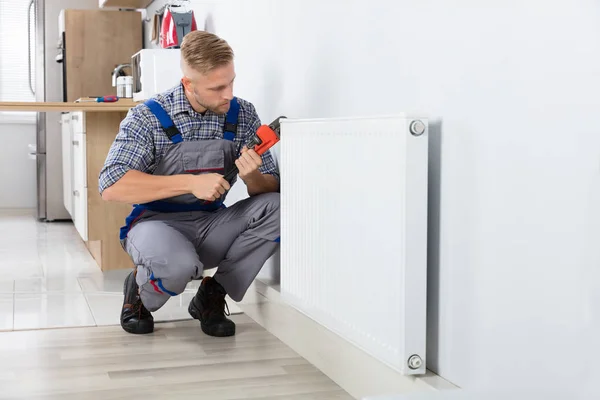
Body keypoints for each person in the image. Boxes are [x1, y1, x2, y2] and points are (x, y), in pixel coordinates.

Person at [98, 31, 280, 337]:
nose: (228, 94)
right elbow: (111, 184)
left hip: (211, 223)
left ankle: (212, 294)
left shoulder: (242, 114)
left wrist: (252, 176)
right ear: (188, 84)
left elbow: (269, 188)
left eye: (231, 81)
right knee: (178, 267)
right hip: (156, 226)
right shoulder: (149, 117)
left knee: (277, 207)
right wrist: (190, 183)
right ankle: (140, 293)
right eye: (218, 87)